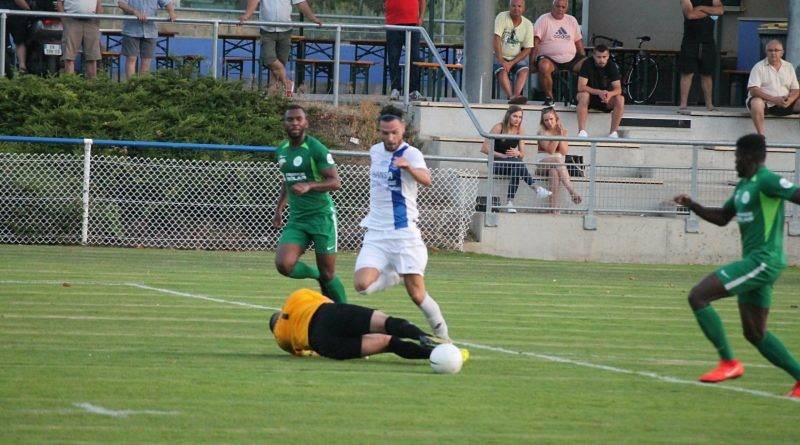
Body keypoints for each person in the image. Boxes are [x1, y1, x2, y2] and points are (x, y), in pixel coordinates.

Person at [673, 134, 800, 399]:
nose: (735, 162)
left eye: (737, 157)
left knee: (698, 296)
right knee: (755, 333)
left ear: (751, 157)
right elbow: (722, 217)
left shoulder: (767, 180)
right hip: (757, 262)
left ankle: (729, 363)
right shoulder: (743, 186)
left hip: (764, 260)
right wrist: (693, 205)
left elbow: (797, 194)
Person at [353, 105, 449, 340]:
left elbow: (427, 180)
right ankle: (394, 276)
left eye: (394, 132)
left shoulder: (412, 153)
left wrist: (408, 167)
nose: (389, 137)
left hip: (403, 233)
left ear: (403, 129)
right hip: (376, 232)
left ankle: (443, 335)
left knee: (417, 295)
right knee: (362, 285)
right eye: (385, 132)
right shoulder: (375, 151)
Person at [273, 104, 348, 304]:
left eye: (299, 119)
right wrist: (279, 209)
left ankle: (347, 315)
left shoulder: (315, 148)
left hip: (322, 217)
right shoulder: (281, 150)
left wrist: (310, 185)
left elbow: (335, 182)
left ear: (306, 122)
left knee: (329, 274)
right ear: (284, 124)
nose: (295, 123)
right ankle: (316, 274)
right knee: (284, 265)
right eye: (290, 119)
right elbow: (287, 181)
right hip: (298, 219)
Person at [269, 288, 466, 361]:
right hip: (327, 314)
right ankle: (426, 337)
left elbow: (301, 353)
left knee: (387, 342)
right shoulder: (294, 297)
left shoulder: (281, 339)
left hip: (322, 342)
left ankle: (437, 356)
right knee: (386, 322)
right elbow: (327, 300)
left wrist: (314, 351)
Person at [240, 0, 322, 97]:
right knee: (269, 59)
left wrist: (313, 19)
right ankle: (287, 82)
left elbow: (301, 3)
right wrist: (247, 15)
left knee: (279, 64)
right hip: (267, 30)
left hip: (285, 30)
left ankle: (272, 95)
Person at [480, 105, 552, 213]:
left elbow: (522, 154)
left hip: (512, 163)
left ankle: (510, 203)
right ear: (509, 116)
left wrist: (518, 152)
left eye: (520, 117)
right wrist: (502, 155)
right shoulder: (499, 127)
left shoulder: (520, 131)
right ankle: (536, 188)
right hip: (495, 163)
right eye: (515, 116)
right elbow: (484, 148)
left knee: (517, 167)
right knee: (517, 163)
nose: (517, 119)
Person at [531, 0, 586, 106]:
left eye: (563, 7)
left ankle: (578, 98)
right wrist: (532, 62)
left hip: (571, 58)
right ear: (553, 6)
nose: (560, 9)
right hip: (550, 59)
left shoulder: (572, 20)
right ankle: (549, 98)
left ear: (566, 8)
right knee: (543, 66)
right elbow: (535, 43)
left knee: (588, 65)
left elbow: (578, 42)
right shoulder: (544, 19)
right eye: (558, 6)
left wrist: (583, 57)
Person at [746, 40, 800, 135]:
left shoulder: (789, 66)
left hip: (785, 103)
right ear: (766, 52)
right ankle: (761, 136)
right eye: (770, 50)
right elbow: (753, 90)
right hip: (765, 104)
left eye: (776, 50)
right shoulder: (758, 67)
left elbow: (795, 89)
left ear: (782, 52)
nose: (773, 53)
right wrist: (774, 99)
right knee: (756, 102)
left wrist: (790, 100)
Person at [678, 0, 723, 111]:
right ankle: (683, 104)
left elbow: (720, 11)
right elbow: (690, 15)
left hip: (708, 41)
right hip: (690, 40)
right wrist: (711, 12)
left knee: (707, 74)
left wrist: (701, 7)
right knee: (687, 72)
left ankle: (709, 105)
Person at [118, 0, 177, 79]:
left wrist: (171, 12)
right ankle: (131, 87)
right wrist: (134, 12)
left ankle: (142, 88)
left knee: (146, 61)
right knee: (131, 58)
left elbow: (167, 3)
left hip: (150, 30)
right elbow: (121, 3)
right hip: (131, 30)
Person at [536, 107, 582, 210]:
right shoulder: (542, 132)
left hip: (557, 166)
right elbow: (550, 151)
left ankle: (552, 208)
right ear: (543, 122)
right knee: (556, 160)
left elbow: (564, 151)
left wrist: (561, 135)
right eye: (546, 120)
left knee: (554, 173)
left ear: (556, 118)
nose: (549, 122)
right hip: (542, 165)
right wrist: (558, 135)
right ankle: (571, 191)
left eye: (551, 119)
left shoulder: (562, 131)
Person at [576, 44, 625, 138]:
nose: (601, 60)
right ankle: (581, 131)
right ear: (594, 56)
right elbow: (581, 87)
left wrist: (609, 94)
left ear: (608, 56)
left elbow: (618, 89)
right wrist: (599, 92)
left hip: (605, 99)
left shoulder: (612, 66)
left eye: (604, 57)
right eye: (598, 57)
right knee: (584, 95)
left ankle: (613, 132)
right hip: (589, 97)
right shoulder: (587, 64)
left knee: (620, 99)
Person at [493, 0, 534, 105]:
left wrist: (511, 63)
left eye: (519, 6)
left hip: (515, 57)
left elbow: (528, 49)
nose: (516, 9)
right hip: (499, 55)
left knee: (524, 70)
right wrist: (501, 59)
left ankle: (517, 96)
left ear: (523, 8)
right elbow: (496, 38)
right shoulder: (502, 17)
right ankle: (511, 96)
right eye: (513, 6)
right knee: (502, 70)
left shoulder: (528, 24)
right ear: (509, 7)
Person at [384, 0, 426, 101]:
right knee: (393, 57)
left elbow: (423, 1)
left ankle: (414, 90)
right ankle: (395, 89)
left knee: (415, 57)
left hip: (412, 23)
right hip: (393, 23)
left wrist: (421, 17)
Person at [57, 0, 103, 79]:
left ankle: (91, 87)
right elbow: (59, 3)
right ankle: (70, 86)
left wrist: (96, 21)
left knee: (92, 57)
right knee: (69, 57)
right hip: (72, 20)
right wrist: (65, 21)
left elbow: (99, 3)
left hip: (91, 21)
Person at [2, 0, 32, 74]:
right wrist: (29, 10)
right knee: (20, 41)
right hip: (14, 13)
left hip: (4, 11)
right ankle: (22, 67)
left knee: (3, 42)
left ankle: (4, 68)